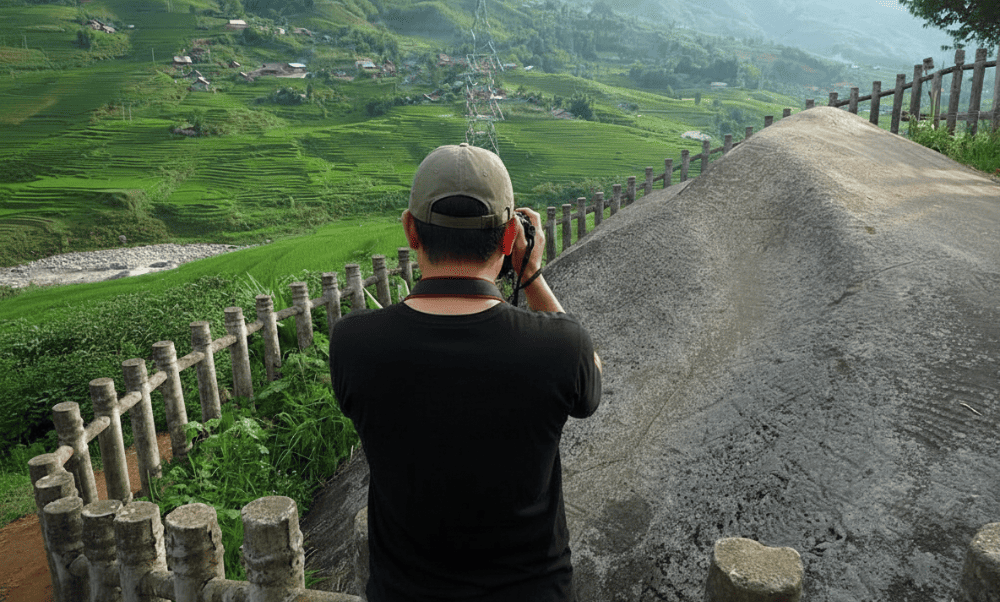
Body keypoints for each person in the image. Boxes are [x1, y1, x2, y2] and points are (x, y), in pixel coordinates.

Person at [329, 142, 602, 602]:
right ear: (510, 237)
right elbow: (591, 382)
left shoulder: (354, 344)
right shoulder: (561, 346)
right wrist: (531, 276)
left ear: (411, 230)